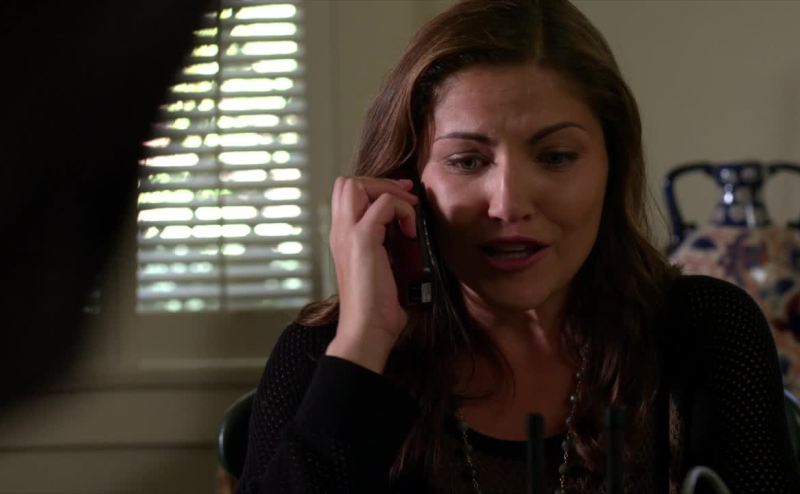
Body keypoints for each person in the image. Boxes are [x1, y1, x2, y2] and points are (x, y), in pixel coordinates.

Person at [235, 0, 800, 492]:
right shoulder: (326, 355)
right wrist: (364, 345)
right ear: (405, 181)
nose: (508, 204)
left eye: (556, 157)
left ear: (612, 167)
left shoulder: (707, 332)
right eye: (467, 161)